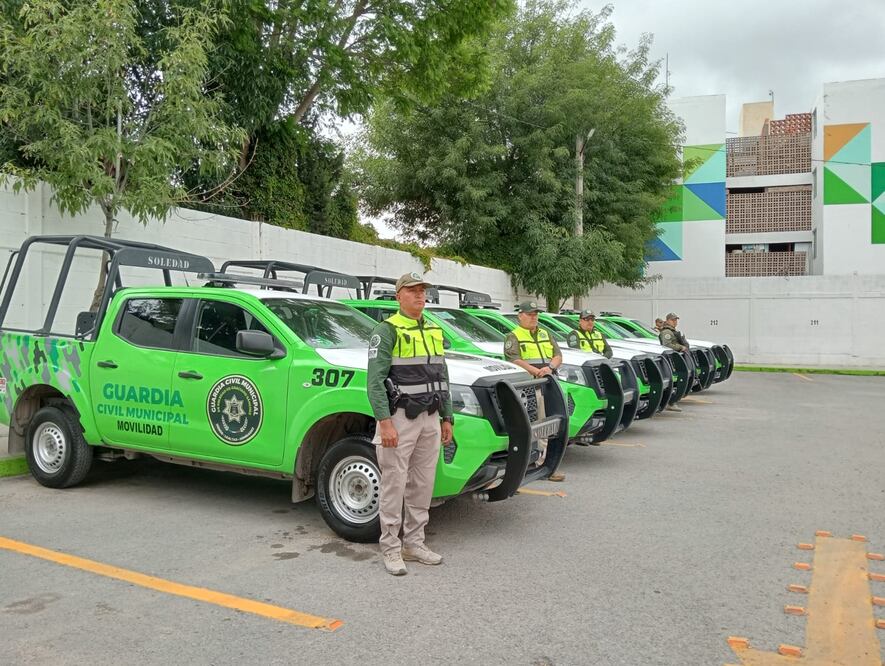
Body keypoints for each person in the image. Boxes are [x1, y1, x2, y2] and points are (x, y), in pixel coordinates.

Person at [367, 272, 454, 576]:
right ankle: (391, 548)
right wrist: (385, 423)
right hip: (399, 419)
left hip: (430, 418)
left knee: (422, 485)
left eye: (423, 291)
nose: (420, 295)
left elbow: (442, 377)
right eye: (413, 290)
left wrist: (447, 417)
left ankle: (414, 544)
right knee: (394, 483)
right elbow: (374, 382)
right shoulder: (387, 330)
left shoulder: (433, 328)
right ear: (398, 296)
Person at [503, 300, 566, 482]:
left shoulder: (545, 333)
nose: (533, 318)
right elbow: (513, 359)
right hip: (529, 387)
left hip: (549, 383)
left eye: (535, 314)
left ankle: (544, 465)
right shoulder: (513, 336)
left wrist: (550, 368)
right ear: (520, 315)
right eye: (530, 314)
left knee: (548, 424)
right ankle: (528, 467)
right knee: (533, 426)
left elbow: (558, 355)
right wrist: (536, 371)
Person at [658, 312, 689, 413]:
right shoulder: (666, 332)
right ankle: (670, 402)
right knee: (672, 381)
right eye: (673, 320)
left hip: (673, 359)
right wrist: (681, 347)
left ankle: (671, 401)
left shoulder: (672, 331)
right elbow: (667, 344)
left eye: (676, 320)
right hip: (669, 359)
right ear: (667, 320)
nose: (675, 322)